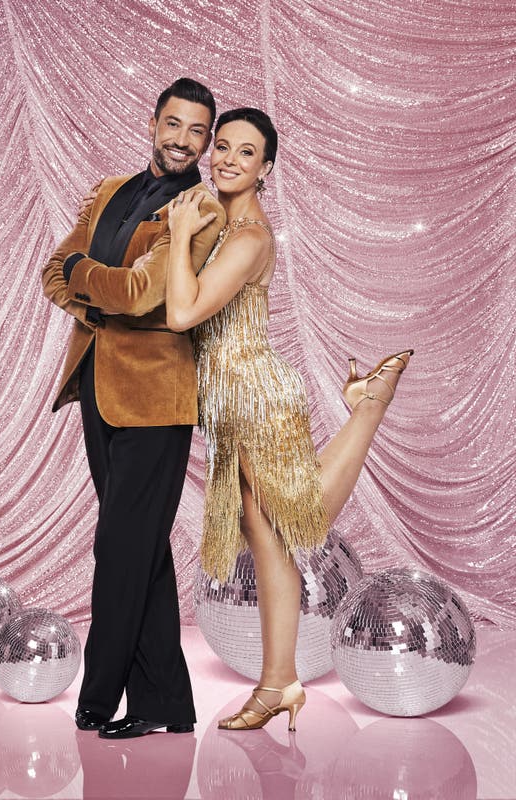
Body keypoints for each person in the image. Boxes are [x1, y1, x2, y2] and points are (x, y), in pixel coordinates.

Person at [159, 107, 413, 731]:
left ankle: (368, 410)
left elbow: (182, 314)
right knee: (267, 533)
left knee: (301, 519)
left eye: (246, 153)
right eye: (222, 146)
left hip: (253, 395)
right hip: (233, 398)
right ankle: (280, 683)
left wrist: (179, 230)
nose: (226, 159)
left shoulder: (247, 238)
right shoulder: (227, 227)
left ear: (265, 168)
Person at [41, 78, 226, 740]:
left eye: (197, 131)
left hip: (157, 399)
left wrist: (90, 281)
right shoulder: (109, 190)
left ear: (208, 141)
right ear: (153, 123)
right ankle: (164, 704)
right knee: (140, 548)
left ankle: (97, 699)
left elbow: (143, 295)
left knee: (120, 546)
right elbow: (52, 267)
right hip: (96, 385)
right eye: (173, 124)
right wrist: (98, 287)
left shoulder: (203, 210)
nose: (183, 139)